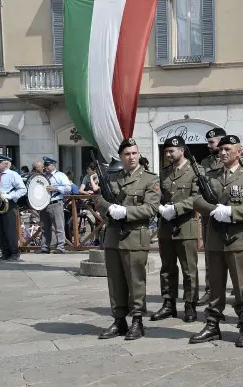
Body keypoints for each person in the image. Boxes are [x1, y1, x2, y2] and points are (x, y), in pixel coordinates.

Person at [191, 134, 243, 347]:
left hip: (238, 238)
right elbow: (195, 198)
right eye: (220, 150)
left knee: (242, 286)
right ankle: (212, 325)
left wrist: (231, 212)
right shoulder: (210, 176)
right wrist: (214, 210)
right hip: (214, 238)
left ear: (239, 152)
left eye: (227, 149)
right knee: (215, 285)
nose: (222, 153)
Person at [94, 138, 160, 340]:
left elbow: (151, 208)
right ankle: (119, 320)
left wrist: (125, 212)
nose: (131, 157)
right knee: (115, 281)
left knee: (135, 281)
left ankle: (138, 320)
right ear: (121, 157)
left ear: (138, 154)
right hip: (113, 235)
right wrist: (109, 209)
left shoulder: (150, 179)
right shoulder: (112, 177)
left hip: (135, 236)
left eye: (134, 153)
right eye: (127, 154)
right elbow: (99, 199)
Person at [151, 136, 200, 323]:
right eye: (166, 152)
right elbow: (157, 195)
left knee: (189, 269)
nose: (168, 154)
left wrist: (176, 209)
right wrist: (161, 208)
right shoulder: (164, 173)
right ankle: (169, 303)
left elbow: (197, 196)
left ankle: (190, 304)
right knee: (167, 268)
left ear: (182, 150)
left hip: (185, 226)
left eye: (172, 151)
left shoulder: (195, 171)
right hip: (166, 226)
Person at [197, 127, 226, 307]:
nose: (209, 146)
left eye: (212, 142)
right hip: (210, 216)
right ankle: (211, 290)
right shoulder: (204, 163)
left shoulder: (232, 160)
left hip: (231, 215)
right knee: (210, 255)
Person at [0, 154, 27, 261]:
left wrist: (10, 196)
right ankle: (5, 252)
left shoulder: (13, 174)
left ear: (5, 164)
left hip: (9, 203)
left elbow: (22, 189)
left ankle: (14, 253)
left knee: (10, 229)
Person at [39, 157, 71, 254]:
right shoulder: (43, 176)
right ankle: (45, 247)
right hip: (44, 204)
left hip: (56, 203)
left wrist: (55, 188)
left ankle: (60, 247)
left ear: (53, 165)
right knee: (44, 227)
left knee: (59, 227)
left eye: (47, 165)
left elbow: (68, 188)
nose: (46, 167)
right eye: (45, 165)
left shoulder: (60, 175)